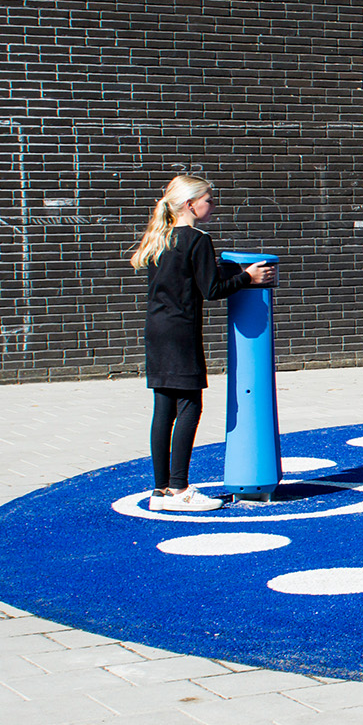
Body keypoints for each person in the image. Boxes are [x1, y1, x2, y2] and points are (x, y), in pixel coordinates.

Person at [128, 174, 275, 512]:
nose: (212, 205)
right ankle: (180, 489)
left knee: (163, 410)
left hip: (156, 331)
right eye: (208, 199)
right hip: (181, 333)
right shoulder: (196, 239)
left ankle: (160, 490)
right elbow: (211, 290)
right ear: (191, 204)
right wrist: (247, 277)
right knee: (190, 406)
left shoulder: (159, 238)